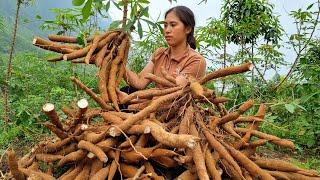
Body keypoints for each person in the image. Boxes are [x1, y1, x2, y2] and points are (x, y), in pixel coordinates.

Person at [118, 5, 206, 100]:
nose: (167, 30)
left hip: (173, 109)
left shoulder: (196, 60)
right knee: (126, 90)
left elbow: (173, 95)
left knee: (128, 97)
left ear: (188, 29)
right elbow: (139, 82)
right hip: (154, 102)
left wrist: (131, 100)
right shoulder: (160, 54)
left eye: (173, 25)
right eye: (165, 25)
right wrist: (118, 61)